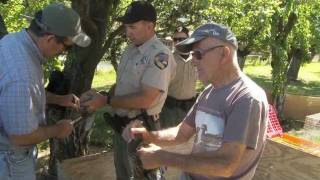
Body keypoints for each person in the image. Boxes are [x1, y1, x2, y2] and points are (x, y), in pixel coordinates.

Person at [130, 22, 269, 180]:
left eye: (198, 54)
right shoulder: (209, 92)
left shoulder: (247, 98)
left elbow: (226, 165)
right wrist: (149, 136)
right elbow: (181, 133)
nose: (193, 61)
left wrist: (161, 157)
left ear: (224, 54)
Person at [81, 1, 176, 179]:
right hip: (121, 126)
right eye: (126, 27)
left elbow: (146, 99)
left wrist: (107, 102)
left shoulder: (159, 55)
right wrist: (102, 95)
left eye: (132, 26)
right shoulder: (130, 50)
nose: (127, 32)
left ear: (150, 26)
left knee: (144, 175)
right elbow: (123, 86)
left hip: (142, 128)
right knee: (123, 174)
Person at [0, 3, 91, 180]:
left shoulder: (14, 42)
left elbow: (23, 95)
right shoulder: (22, 74)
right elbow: (20, 136)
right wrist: (57, 129)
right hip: (12, 161)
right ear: (50, 39)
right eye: (67, 46)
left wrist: (58, 99)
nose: (64, 52)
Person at [160, 26, 197, 128]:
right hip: (169, 110)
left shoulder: (197, 59)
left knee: (188, 141)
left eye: (182, 39)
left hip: (190, 110)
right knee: (169, 141)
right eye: (175, 39)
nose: (178, 42)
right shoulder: (167, 59)